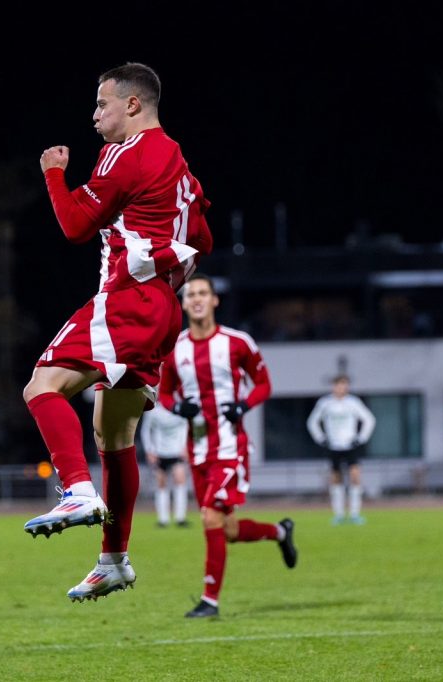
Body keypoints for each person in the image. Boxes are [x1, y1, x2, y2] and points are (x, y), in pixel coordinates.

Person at [22, 62, 213, 603]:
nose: (94, 115)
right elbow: (201, 234)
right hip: (163, 311)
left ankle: (77, 492)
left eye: (102, 103)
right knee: (114, 434)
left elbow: (75, 226)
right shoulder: (179, 162)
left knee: (41, 387)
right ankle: (114, 561)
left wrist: (54, 174)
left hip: (127, 299)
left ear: (133, 104)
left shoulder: (127, 152)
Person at [158, 273, 297, 618]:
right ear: (184, 303)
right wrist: (178, 407)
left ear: (214, 300)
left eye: (203, 293)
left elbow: (264, 384)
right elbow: (162, 393)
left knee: (209, 516)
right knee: (228, 530)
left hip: (231, 449)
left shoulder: (237, 342)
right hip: (198, 450)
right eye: (191, 294)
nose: (198, 299)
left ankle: (210, 600)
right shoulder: (175, 349)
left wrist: (243, 406)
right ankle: (281, 532)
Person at [306, 374, 376, 525]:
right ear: (333, 386)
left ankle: (355, 514)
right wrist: (321, 438)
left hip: (350, 445)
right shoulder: (325, 403)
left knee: (355, 476)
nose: (341, 388)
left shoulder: (353, 402)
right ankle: (338, 514)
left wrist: (361, 438)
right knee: (336, 478)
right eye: (338, 384)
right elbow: (312, 422)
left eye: (344, 385)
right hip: (333, 445)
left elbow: (369, 419)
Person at [139, 400, 191, 528]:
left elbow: (185, 426)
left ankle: (180, 517)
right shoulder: (153, 409)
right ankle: (163, 519)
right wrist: (149, 450)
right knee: (161, 483)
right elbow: (145, 431)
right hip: (160, 452)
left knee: (180, 479)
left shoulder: (179, 407)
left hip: (176, 451)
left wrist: (185, 447)